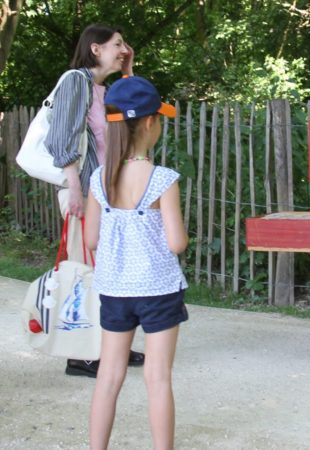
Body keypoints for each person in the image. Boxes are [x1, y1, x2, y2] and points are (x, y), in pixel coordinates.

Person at [84, 76, 188, 450]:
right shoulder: (162, 179)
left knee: (108, 377)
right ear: (148, 122)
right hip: (158, 290)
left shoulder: (100, 178)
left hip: (114, 290)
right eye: (160, 118)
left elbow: (91, 239)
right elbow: (176, 243)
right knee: (158, 378)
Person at [46, 23, 144, 377]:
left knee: (111, 271)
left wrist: (129, 71)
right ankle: (81, 353)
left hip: (108, 194)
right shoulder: (76, 81)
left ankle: (111, 345)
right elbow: (62, 135)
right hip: (85, 193)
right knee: (85, 271)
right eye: (117, 44)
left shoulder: (106, 90)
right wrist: (75, 188)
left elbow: (136, 118)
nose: (123, 49)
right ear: (95, 49)